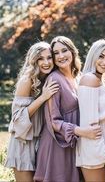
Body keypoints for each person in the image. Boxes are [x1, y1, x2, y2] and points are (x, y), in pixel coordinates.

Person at [34, 36, 102, 182]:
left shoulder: (79, 77)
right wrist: (82, 131)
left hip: (76, 143)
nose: (61, 56)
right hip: (57, 145)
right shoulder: (54, 79)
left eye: (64, 50)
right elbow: (54, 121)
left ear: (72, 51)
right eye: (56, 53)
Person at [5, 41, 59, 182]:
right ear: (33, 61)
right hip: (23, 143)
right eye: (40, 58)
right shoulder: (27, 80)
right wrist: (43, 97)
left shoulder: (49, 78)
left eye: (49, 57)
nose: (46, 62)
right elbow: (17, 119)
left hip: (41, 143)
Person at [76, 39, 105, 182]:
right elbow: (90, 126)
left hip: (103, 146)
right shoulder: (89, 79)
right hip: (93, 147)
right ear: (93, 56)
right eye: (101, 56)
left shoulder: (101, 81)